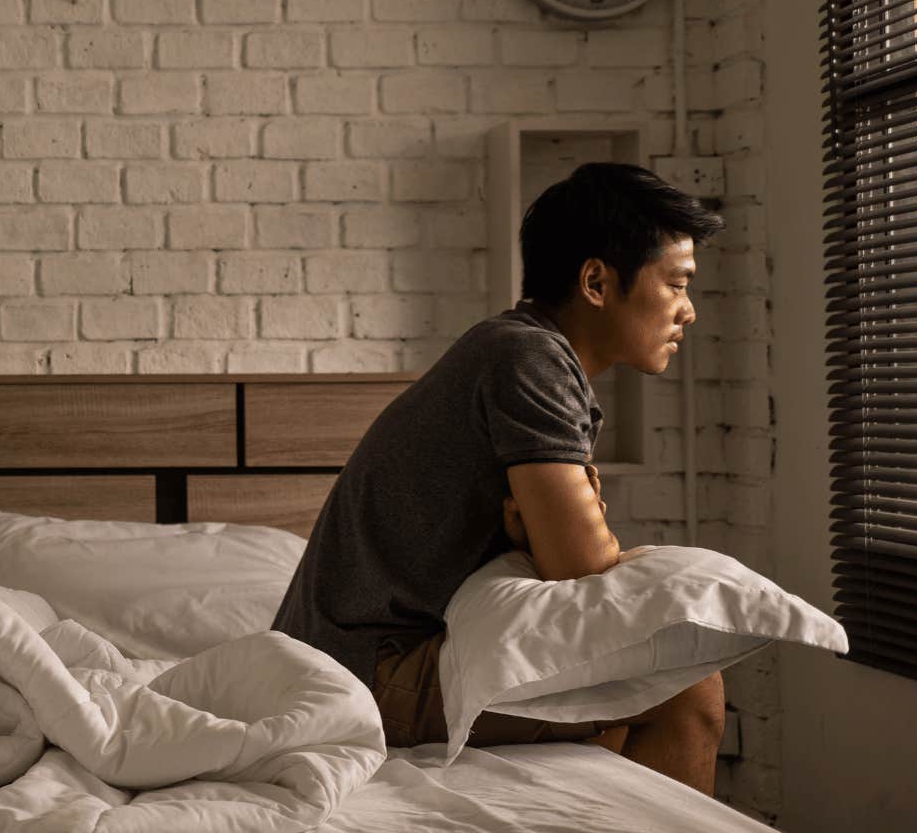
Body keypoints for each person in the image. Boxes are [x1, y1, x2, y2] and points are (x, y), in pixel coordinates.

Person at [272, 161, 728, 793]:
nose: (689, 311)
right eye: (677, 284)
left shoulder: (521, 350)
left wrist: (535, 538)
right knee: (684, 686)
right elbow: (584, 568)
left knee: (627, 706)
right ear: (597, 281)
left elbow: (564, 560)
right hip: (358, 670)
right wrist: (547, 541)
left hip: (352, 655)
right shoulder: (529, 359)